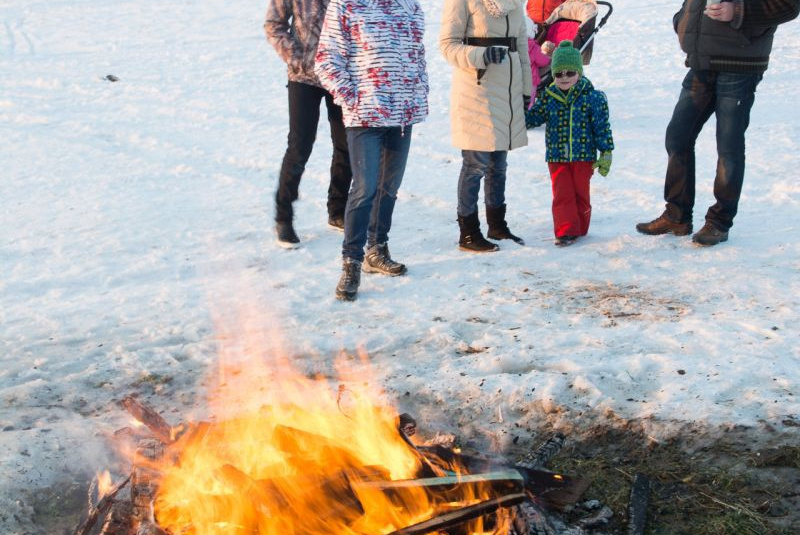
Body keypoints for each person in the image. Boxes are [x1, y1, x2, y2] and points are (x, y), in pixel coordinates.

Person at [636, 0, 799, 246]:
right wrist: (683, 20)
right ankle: (676, 215)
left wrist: (738, 11)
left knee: (728, 146)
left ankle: (719, 222)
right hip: (702, 62)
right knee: (677, 137)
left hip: (740, 65)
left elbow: (788, 5)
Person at [315, 0, 429, 301]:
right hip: (365, 115)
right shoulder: (347, 5)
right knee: (364, 188)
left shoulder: (410, 6)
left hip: (402, 115)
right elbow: (326, 60)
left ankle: (376, 249)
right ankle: (351, 262)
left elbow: (418, 57)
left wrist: (419, 92)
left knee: (388, 188)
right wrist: (352, 97)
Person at [440, 0, 533, 253]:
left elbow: (522, 46)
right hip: (476, 91)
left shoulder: (514, 2)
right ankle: (468, 233)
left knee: (498, 166)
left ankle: (497, 226)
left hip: (508, 91)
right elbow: (447, 45)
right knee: (475, 164)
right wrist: (480, 55)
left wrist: (526, 89)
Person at [264, 0, 353, 248]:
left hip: (341, 74)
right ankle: (284, 216)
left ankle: (338, 210)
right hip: (304, 76)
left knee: (346, 144)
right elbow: (274, 23)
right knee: (300, 145)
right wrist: (296, 57)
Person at [525, 40, 614, 246]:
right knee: (562, 194)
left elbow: (602, 127)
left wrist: (606, 152)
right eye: (558, 74)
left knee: (580, 193)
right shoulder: (549, 97)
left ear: (579, 73)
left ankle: (579, 227)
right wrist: (517, 111)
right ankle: (566, 230)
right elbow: (533, 119)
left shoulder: (593, 98)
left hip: (584, 156)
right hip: (557, 157)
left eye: (569, 73)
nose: (564, 78)